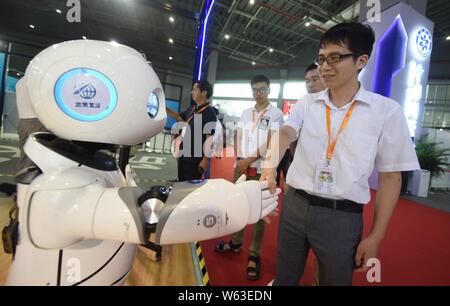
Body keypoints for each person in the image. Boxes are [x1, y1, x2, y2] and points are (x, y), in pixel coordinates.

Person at [261, 22, 420, 285]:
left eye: (335, 57)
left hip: (342, 217)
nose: (324, 66)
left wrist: (376, 236)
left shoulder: (386, 112)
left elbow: (392, 177)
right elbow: (286, 133)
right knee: (285, 276)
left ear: (361, 60)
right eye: (321, 58)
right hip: (295, 205)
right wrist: (268, 170)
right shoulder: (308, 103)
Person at [215, 75, 283, 280]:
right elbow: (238, 136)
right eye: (255, 89)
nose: (258, 93)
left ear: (269, 90)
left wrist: (248, 160)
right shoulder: (246, 113)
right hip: (242, 167)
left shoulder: (276, 114)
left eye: (262, 89)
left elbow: (272, 142)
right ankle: (235, 242)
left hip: (263, 170)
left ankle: (254, 255)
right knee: (238, 206)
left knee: (260, 214)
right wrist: (239, 159)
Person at [166, 80, 217, 181]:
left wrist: (205, 159)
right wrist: (163, 107)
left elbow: (209, 138)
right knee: (181, 183)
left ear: (204, 93)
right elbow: (179, 116)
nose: (191, 92)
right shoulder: (192, 108)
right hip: (183, 154)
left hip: (194, 159)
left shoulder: (209, 113)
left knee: (190, 187)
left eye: (195, 89)